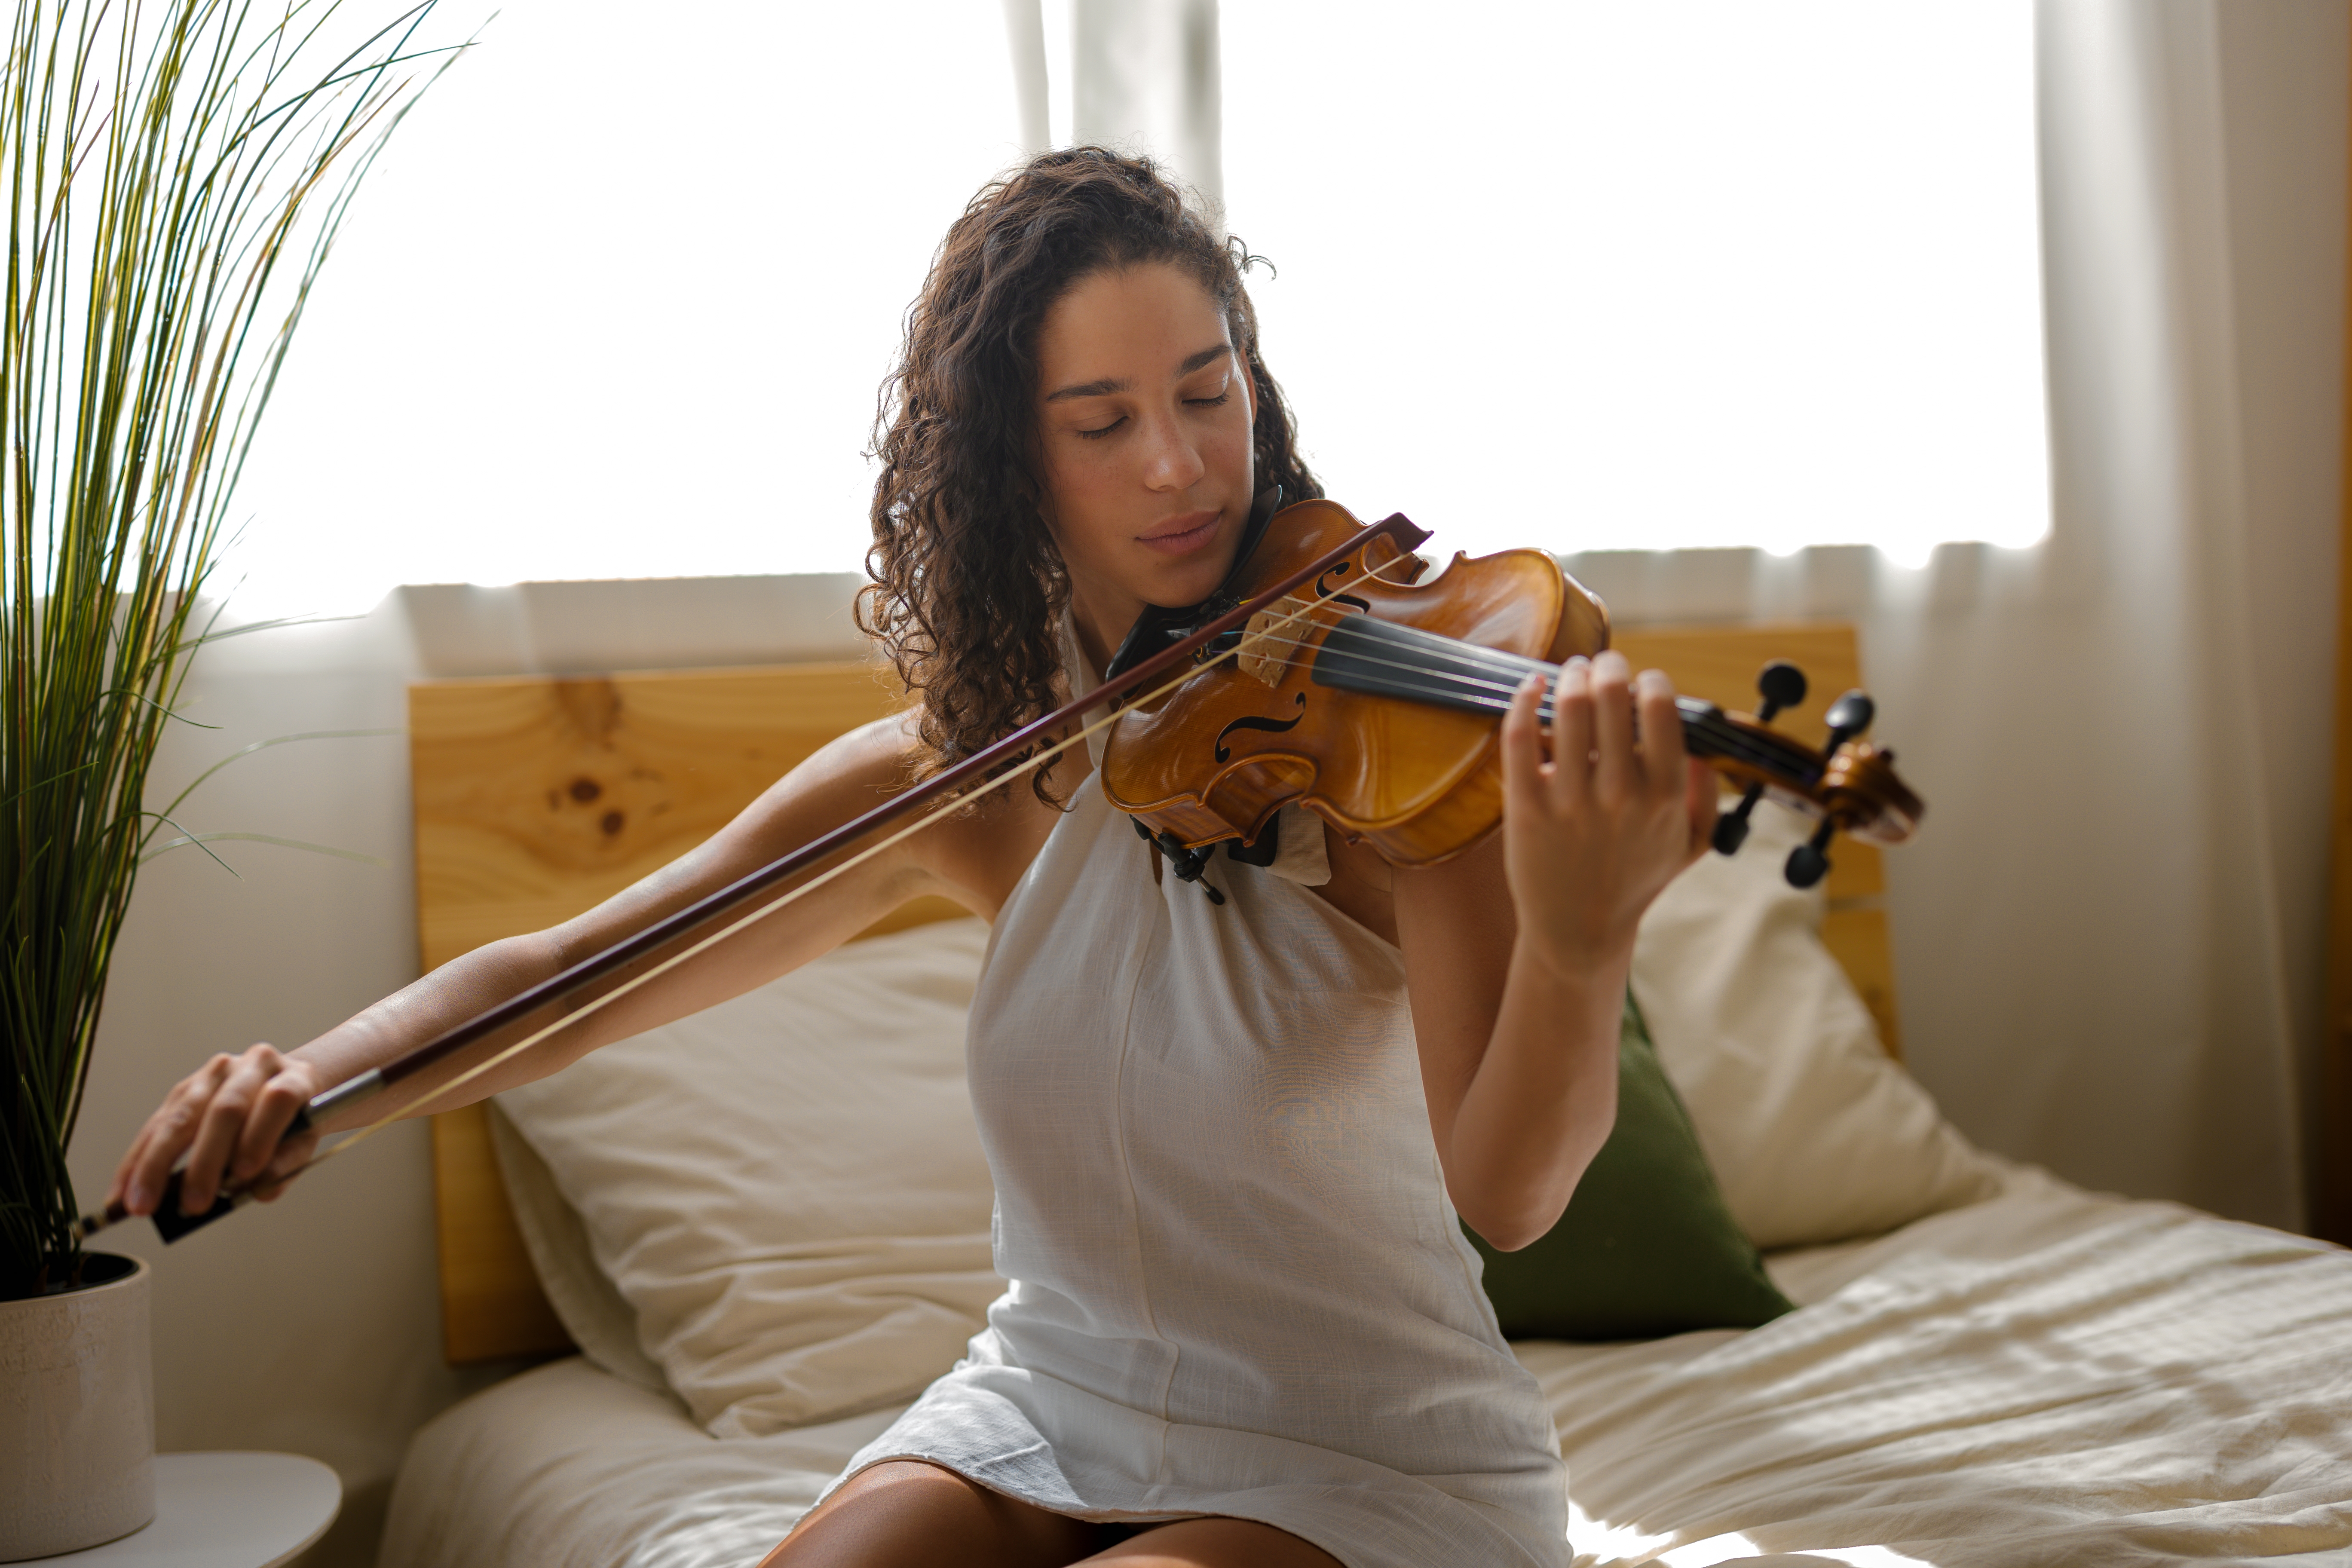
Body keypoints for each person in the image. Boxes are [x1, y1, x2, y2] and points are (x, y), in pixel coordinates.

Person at [109, 149, 1716, 1568]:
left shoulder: (1395, 764)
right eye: (1105, 421)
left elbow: (1510, 1194)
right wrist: (305, 1089)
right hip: (1049, 1405)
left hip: (1364, 1457)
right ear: (1016, 465)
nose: (1176, 463)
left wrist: (1583, 945)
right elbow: (571, 978)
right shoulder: (967, 776)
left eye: (1208, 393)